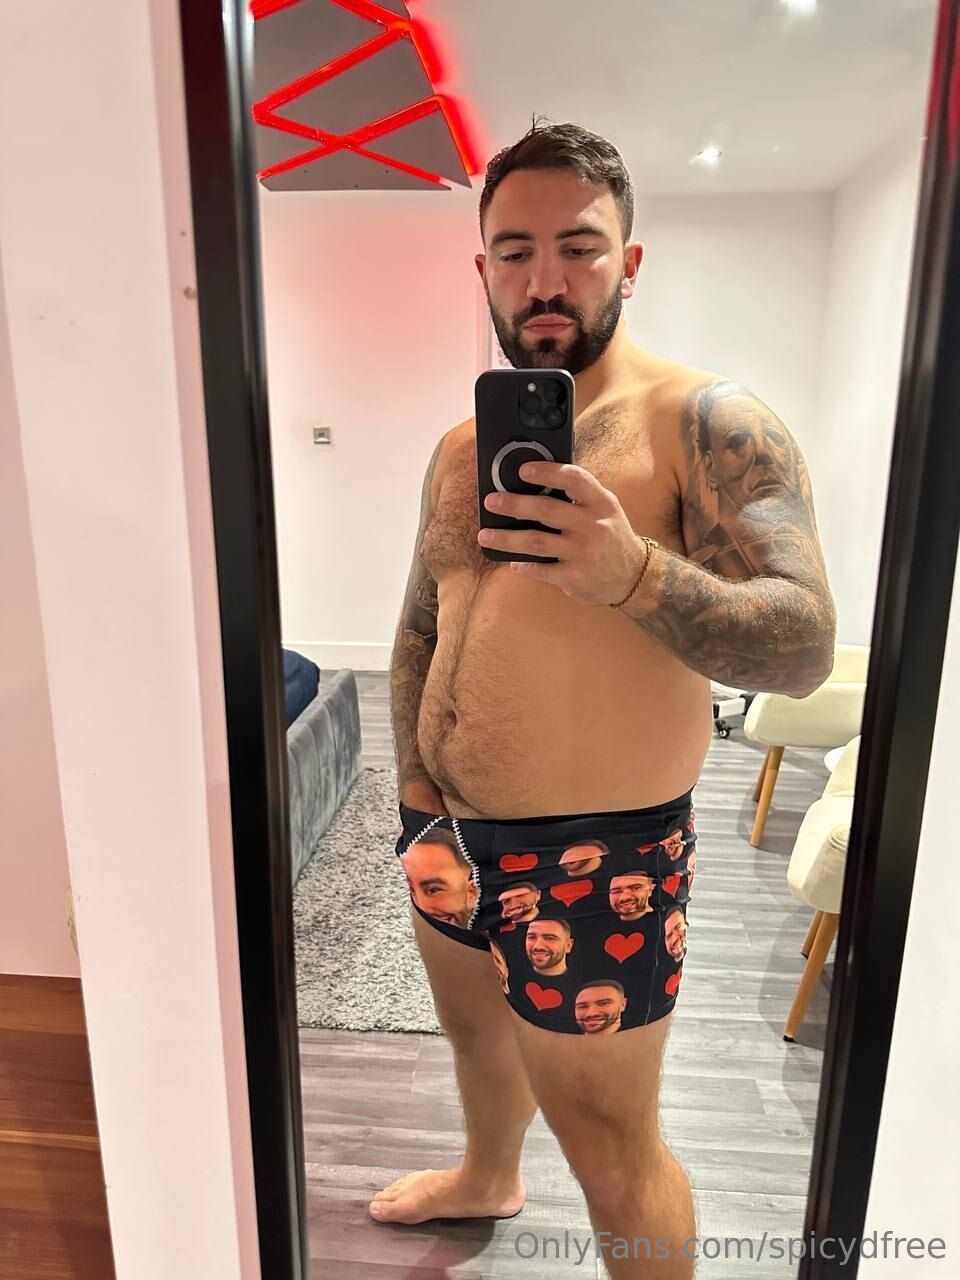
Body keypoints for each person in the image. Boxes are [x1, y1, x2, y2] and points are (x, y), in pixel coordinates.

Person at [375, 119, 836, 1279]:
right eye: (515, 250)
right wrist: (418, 794)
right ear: (482, 267)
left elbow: (805, 646)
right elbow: (425, 623)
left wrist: (632, 573)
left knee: (611, 1144)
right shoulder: (459, 448)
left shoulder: (706, 422)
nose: (545, 279)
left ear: (628, 263)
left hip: (599, 856)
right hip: (448, 831)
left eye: (578, 247)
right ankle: (487, 1172)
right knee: (477, 1040)